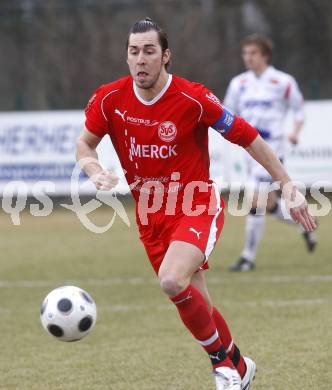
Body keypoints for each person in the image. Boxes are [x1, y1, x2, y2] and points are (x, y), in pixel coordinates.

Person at [76, 18, 316, 390]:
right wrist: (93, 169)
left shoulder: (193, 97)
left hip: (196, 204)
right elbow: (84, 144)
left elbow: (249, 137)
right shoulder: (110, 98)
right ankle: (239, 365)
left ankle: (222, 367)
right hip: (150, 216)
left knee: (172, 280)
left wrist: (287, 186)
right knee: (196, 301)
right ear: (127, 56)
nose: (141, 59)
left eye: (149, 51)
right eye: (134, 51)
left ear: (166, 56)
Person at [224, 34, 317, 272]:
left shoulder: (283, 82)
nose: (248, 58)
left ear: (265, 55)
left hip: (272, 150)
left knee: (255, 201)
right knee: (271, 206)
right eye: (246, 53)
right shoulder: (238, 84)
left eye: (253, 53)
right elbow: (226, 113)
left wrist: (295, 131)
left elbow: (298, 111)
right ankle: (305, 224)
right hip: (248, 151)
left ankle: (247, 258)